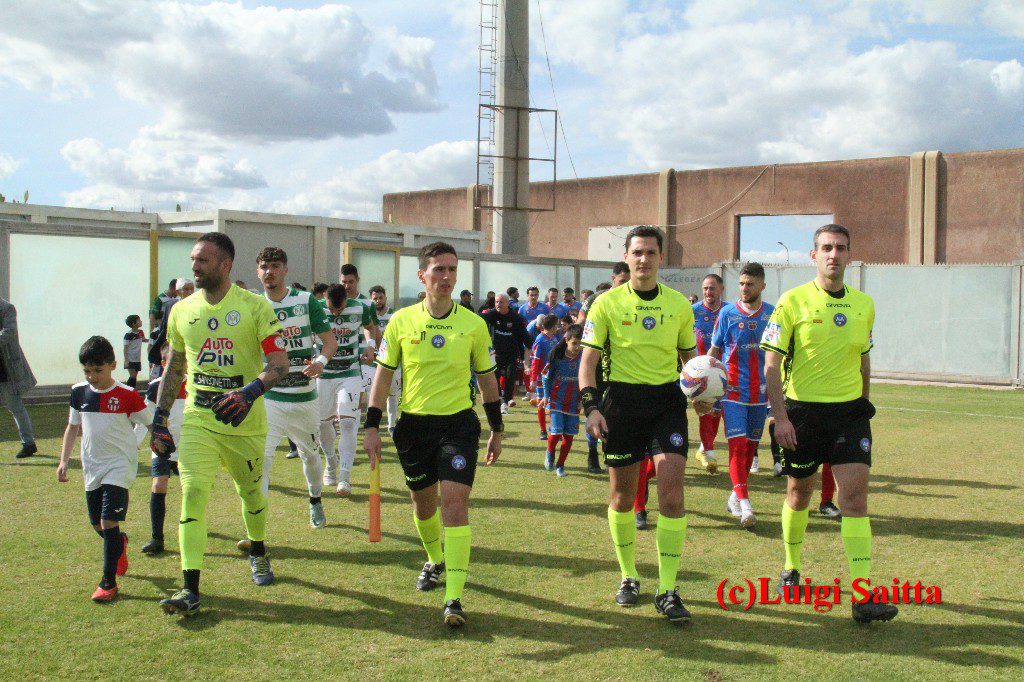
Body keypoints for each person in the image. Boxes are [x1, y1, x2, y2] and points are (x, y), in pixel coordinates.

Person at [760, 223, 896, 624]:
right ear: (813, 255)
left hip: (850, 415)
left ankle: (861, 596)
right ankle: (790, 567)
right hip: (802, 415)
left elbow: (864, 356)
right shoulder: (792, 301)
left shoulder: (863, 304)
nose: (834, 255)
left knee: (855, 501)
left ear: (849, 255)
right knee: (799, 494)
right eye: (826, 248)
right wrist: (780, 417)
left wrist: (864, 402)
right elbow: (771, 364)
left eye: (840, 248)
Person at [365, 241, 504, 628]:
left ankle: (454, 599)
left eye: (452, 270)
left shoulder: (473, 324)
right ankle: (434, 558)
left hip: (458, 425)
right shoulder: (401, 321)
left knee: (455, 506)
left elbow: (488, 379)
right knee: (423, 506)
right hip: (413, 427)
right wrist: (372, 425)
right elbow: (384, 374)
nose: (446, 277)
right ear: (422, 275)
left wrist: (497, 428)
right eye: (439, 270)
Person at [151, 232, 289, 616]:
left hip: (245, 422)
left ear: (226, 265)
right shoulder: (181, 310)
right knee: (192, 493)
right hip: (198, 418)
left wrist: (249, 393)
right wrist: (160, 418)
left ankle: (258, 549)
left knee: (250, 494)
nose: (195, 267)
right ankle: (189, 589)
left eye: (203, 261)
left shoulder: (254, 307)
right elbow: (175, 367)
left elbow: (280, 364)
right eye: (193, 260)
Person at [580, 225, 701, 624]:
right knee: (622, 497)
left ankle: (667, 589)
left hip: (666, 404)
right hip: (620, 405)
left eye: (651, 253)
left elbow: (690, 361)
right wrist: (591, 408)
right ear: (627, 257)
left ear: (660, 258)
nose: (644, 259)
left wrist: (703, 391)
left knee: (672, 493)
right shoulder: (605, 304)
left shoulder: (680, 305)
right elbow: (588, 364)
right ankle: (629, 575)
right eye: (637, 253)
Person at [250, 247, 337, 535]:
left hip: (304, 396)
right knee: (262, 459)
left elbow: (329, 341)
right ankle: (256, 525)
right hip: (269, 399)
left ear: (285, 270)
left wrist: (321, 362)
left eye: (275, 266)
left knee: (310, 456)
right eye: (264, 266)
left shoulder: (305, 301)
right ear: (257, 270)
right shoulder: (253, 304)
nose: (269, 272)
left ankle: (315, 500)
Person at [57, 336, 152, 602]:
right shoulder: (79, 392)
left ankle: (107, 583)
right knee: (97, 524)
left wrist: (141, 444)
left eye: (98, 370)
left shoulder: (127, 395)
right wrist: (64, 460)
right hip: (92, 466)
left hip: (119, 466)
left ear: (113, 365)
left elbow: (147, 422)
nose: (92, 376)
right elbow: (73, 427)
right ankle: (119, 542)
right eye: (87, 370)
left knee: (108, 521)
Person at [708, 263, 774, 529]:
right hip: (732, 390)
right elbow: (714, 351)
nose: (745, 288)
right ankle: (746, 505)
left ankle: (735, 495)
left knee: (749, 448)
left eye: (750, 284)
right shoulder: (726, 314)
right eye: (742, 283)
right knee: (736, 446)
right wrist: (705, 384)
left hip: (760, 394)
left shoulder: (772, 314)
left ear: (762, 286)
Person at [319, 284, 377, 496]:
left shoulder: (359, 307)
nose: (335, 313)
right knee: (323, 425)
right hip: (324, 374)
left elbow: (370, 326)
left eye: (339, 309)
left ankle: (345, 477)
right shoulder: (316, 308)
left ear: (346, 299)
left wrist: (370, 346)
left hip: (350, 372)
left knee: (347, 422)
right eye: (331, 309)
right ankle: (330, 462)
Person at [578, 262, 631, 473]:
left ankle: (615, 451)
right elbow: (581, 322)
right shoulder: (596, 299)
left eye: (628, 282)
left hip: (622, 365)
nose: (624, 286)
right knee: (595, 408)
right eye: (621, 281)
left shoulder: (633, 299)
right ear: (613, 279)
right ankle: (592, 452)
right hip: (597, 364)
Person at [135, 341, 186, 555]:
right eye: (173, 362)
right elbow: (145, 418)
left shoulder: (193, 384)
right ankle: (157, 538)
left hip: (187, 446)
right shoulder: (156, 386)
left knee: (191, 490)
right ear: (163, 363)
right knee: (159, 485)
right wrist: (132, 446)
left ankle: (191, 526)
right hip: (162, 444)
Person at [693, 274, 726, 473]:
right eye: (705, 288)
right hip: (700, 373)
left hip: (725, 372)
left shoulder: (729, 311)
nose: (708, 292)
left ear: (721, 289)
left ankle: (704, 448)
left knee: (718, 413)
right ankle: (709, 453)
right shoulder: (692, 312)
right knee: (706, 412)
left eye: (712, 288)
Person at [480, 293, 532, 413]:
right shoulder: (492, 314)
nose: (498, 304)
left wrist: (527, 350)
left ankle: (508, 398)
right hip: (492, 352)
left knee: (510, 376)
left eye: (501, 302)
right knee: (494, 376)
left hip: (511, 353)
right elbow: (478, 317)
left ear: (507, 303)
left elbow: (525, 337)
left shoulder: (515, 317)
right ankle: (501, 400)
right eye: (496, 302)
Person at [542, 324, 583, 477]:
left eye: (580, 343)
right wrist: (546, 396)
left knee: (569, 437)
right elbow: (546, 377)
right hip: (556, 401)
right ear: (566, 340)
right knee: (556, 433)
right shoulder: (557, 356)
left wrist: (584, 399)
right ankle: (550, 453)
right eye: (574, 343)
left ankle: (560, 466)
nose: (577, 347)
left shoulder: (583, 358)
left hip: (574, 403)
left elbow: (587, 379)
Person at [0, 297, 38, 458]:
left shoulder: (7, 308)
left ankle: (28, 444)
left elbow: (9, 332)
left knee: (14, 405)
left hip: (5, 366)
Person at [340, 264, 381, 396]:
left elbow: (374, 329)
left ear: (358, 280)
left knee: (357, 399)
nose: (347, 286)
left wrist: (378, 352)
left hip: (363, 357)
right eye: (344, 282)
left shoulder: (367, 304)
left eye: (350, 282)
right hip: (341, 358)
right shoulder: (335, 302)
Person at [369, 285, 401, 433]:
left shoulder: (394, 316)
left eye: (380, 298)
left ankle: (391, 425)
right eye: (375, 298)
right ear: (371, 299)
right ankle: (371, 424)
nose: (378, 301)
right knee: (372, 392)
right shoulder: (368, 317)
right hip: (373, 360)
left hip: (391, 360)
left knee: (392, 393)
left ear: (385, 298)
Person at [529, 315, 559, 440]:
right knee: (542, 401)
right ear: (552, 327)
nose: (558, 327)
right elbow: (535, 361)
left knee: (554, 402)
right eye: (557, 325)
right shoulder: (540, 339)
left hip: (554, 376)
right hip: (543, 377)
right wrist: (533, 379)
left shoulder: (554, 339)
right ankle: (543, 430)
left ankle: (554, 428)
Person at [123, 315, 146, 389]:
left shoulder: (140, 332)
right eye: (139, 321)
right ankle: (128, 390)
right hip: (130, 358)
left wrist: (153, 340)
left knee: (135, 376)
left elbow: (144, 340)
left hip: (137, 358)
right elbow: (125, 348)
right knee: (132, 375)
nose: (141, 322)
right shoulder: (128, 335)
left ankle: (133, 390)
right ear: (133, 324)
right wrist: (126, 360)